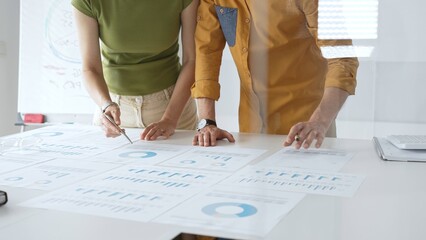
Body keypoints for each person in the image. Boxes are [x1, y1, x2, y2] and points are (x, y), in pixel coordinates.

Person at [191, 0, 359, 149]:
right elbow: (206, 52)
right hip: (251, 129)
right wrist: (207, 122)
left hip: (308, 128)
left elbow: (342, 59)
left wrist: (320, 121)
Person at [72, 0, 199, 140]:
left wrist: (170, 119)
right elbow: (90, 68)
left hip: (173, 106)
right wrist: (106, 104)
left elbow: (192, 60)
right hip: (113, 108)